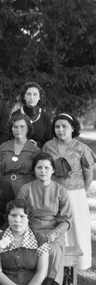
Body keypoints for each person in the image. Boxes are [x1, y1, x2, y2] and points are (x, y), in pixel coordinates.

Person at [18, 153, 73, 285]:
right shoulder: (26, 189)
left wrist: (54, 233)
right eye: (39, 167)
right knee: (32, 250)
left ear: (53, 170)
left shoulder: (61, 191)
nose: (43, 171)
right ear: (34, 170)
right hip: (30, 229)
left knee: (53, 251)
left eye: (47, 167)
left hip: (54, 230)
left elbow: (67, 220)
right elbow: (19, 214)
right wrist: (28, 232)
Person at [42, 113, 95, 270]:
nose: (60, 130)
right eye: (57, 127)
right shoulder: (48, 146)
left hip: (75, 194)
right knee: (56, 224)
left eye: (64, 126)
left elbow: (88, 174)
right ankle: (57, 262)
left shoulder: (81, 148)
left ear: (73, 128)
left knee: (76, 225)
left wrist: (79, 192)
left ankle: (78, 264)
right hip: (53, 193)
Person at [0, 113, 40, 195]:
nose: (18, 130)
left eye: (22, 126)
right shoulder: (3, 147)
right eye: (15, 127)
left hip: (27, 192)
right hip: (3, 191)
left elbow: (38, 175)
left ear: (28, 129)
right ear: (11, 129)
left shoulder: (35, 151)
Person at [11, 82, 53, 147]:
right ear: (24, 96)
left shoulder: (45, 117)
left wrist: (37, 144)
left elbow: (49, 140)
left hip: (39, 153)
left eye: (35, 94)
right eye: (28, 94)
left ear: (39, 97)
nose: (32, 97)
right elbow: (10, 136)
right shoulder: (16, 115)